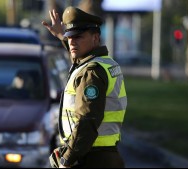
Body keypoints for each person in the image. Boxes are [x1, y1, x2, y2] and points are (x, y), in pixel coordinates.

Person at [42, 6, 128, 168]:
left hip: (90, 158)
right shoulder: (104, 63)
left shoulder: (91, 72)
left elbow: (87, 120)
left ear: (95, 38)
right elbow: (79, 57)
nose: (72, 42)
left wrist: (67, 159)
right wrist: (62, 36)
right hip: (102, 156)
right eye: (69, 37)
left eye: (78, 37)